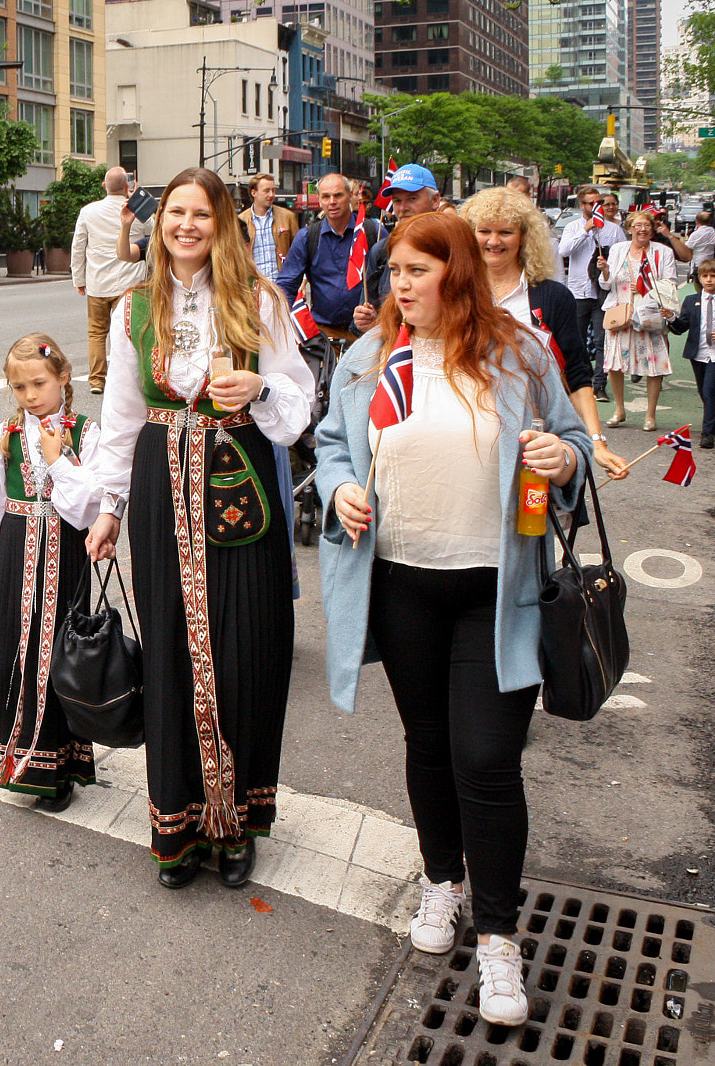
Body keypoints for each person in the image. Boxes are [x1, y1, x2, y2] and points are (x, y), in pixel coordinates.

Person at [316, 211, 592, 1029]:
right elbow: (332, 444)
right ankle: (442, 881)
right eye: (393, 270)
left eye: (415, 271)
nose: (398, 284)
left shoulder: (519, 352)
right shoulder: (369, 359)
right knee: (429, 746)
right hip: (401, 581)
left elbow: (572, 441)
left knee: (487, 757)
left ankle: (500, 936)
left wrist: (566, 457)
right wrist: (340, 487)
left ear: (458, 272)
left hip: (494, 589)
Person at [85, 167, 315, 889]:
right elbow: (119, 419)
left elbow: (300, 401)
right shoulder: (133, 309)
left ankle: (237, 823)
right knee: (172, 656)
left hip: (235, 485)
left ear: (224, 223)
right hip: (159, 488)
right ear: (160, 224)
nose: (186, 225)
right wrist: (110, 508)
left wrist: (261, 387)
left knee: (246, 649)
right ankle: (178, 826)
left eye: (201, 214)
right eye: (175, 213)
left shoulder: (260, 300)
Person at [0, 335, 102, 812]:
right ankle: (21, 764)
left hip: (67, 553)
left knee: (61, 654)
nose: (30, 395)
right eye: (19, 387)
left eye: (38, 383)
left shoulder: (84, 432)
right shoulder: (8, 435)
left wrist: (59, 461)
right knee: (14, 651)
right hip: (18, 550)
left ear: (62, 378)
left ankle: (60, 771)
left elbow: (87, 509)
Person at [461, 187, 629, 479]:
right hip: (466, 437)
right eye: (484, 231)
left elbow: (576, 374)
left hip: (535, 441)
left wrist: (596, 443)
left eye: (506, 232)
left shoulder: (552, 296)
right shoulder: (454, 294)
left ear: (524, 237)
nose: (493, 241)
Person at [275, 171, 387, 341]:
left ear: (350, 196)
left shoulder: (373, 232)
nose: (332, 202)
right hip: (324, 337)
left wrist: (380, 314)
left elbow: (392, 284)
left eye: (338, 195)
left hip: (369, 334)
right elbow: (286, 285)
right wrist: (282, 324)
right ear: (319, 200)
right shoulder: (307, 237)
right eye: (326, 197)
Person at [72, 167, 151, 394]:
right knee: (127, 331)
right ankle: (124, 379)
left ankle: (97, 380)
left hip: (97, 282)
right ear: (127, 188)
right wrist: (139, 199)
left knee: (96, 332)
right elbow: (158, 231)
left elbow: (78, 247)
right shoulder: (135, 210)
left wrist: (79, 277)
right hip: (130, 282)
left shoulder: (88, 212)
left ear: (104, 186)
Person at [598, 210, 675, 432]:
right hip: (619, 313)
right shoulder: (617, 249)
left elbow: (669, 285)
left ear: (652, 229)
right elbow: (606, 285)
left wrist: (645, 288)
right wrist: (604, 272)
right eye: (637, 225)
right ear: (630, 228)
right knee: (615, 364)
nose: (642, 229)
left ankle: (650, 415)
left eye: (647, 225)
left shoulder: (663, 252)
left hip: (649, 314)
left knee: (654, 364)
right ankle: (619, 410)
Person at [557, 185, 626, 402]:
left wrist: (607, 267)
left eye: (598, 203)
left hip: (604, 293)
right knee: (576, 340)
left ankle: (599, 385)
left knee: (601, 340)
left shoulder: (613, 230)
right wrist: (586, 229)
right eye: (590, 203)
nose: (595, 207)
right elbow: (564, 251)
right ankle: (584, 377)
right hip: (578, 292)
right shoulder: (573, 227)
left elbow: (622, 258)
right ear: (582, 205)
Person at [667, 257, 715, 449]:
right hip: (698, 353)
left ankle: (708, 434)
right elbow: (680, 327)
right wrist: (671, 318)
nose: (709, 280)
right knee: (704, 392)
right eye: (705, 276)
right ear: (699, 279)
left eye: (713, 276)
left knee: (709, 391)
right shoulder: (692, 300)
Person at [238, 173, 299, 280]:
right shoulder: (241, 221)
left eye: (273, 190)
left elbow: (298, 252)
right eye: (266, 191)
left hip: (282, 285)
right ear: (254, 192)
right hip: (254, 287)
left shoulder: (288, 217)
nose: (271, 195)